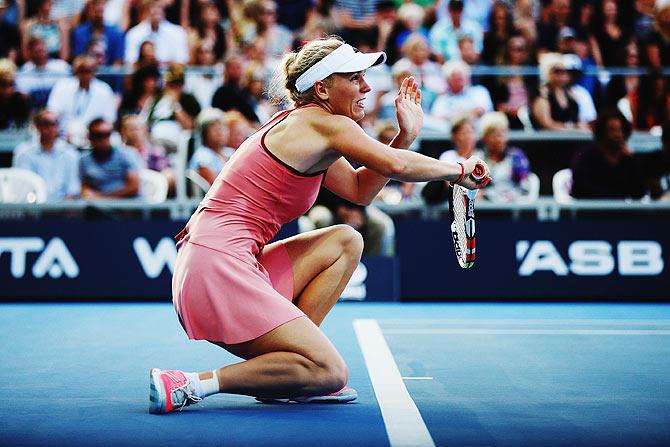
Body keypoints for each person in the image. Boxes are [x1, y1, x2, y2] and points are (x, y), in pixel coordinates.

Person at [149, 36, 490, 414]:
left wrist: (404, 137)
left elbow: (360, 189)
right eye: (355, 78)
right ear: (322, 88)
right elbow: (394, 166)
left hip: (220, 260)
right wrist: (458, 169)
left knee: (346, 240)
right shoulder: (323, 123)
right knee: (331, 371)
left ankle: (292, 371)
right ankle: (190, 383)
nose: (366, 87)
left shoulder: (310, 126)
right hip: (216, 268)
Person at [571, 110, 646, 200]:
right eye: (612, 130)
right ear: (602, 132)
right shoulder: (587, 157)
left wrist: (633, 162)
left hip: (621, 210)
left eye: (620, 130)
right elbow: (580, 189)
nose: (617, 135)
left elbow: (639, 193)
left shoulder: (628, 159)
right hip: (592, 209)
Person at [13, 110, 80, 201]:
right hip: (33, 209)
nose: (51, 128)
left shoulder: (70, 154)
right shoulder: (23, 153)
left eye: (54, 123)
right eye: (46, 123)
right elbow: (23, 188)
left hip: (64, 209)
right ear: (37, 126)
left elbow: (73, 189)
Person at [79, 118, 141, 199]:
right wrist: (88, 193)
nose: (103, 139)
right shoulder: (84, 160)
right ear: (90, 137)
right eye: (98, 135)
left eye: (107, 134)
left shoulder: (127, 154)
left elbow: (134, 187)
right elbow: (84, 186)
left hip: (128, 205)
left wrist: (103, 198)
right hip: (99, 207)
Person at [478, 112, 532, 203]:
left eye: (502, 134)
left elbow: (525, 187)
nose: (499, 139)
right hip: (484, 207)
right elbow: (474, 187)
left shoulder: (516, 157)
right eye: (494, 135)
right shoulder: (478, 158)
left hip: (513, 205)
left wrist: (499, 197)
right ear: (485, 138)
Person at [16, 37, 70, 111]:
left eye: (42, 51)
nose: (40, 54)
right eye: (37, 52)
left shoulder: (62, 67)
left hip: (59, 110)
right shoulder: (23, 72)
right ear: (30, 53)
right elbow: (24, 98)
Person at [0, 58, 30, 130]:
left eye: (11, 84)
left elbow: (24, 127)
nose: (8, 89)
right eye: (3, 84)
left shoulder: (20, 100)